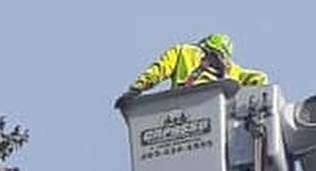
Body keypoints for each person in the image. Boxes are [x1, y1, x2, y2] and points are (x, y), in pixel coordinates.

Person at [114, 33, 267, 112]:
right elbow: (260, 78)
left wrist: (134, 90)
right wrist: (251, 103)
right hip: (217, 111)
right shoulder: (233, 69)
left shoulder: (183, 51)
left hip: (184, 102)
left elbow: (158, 70)